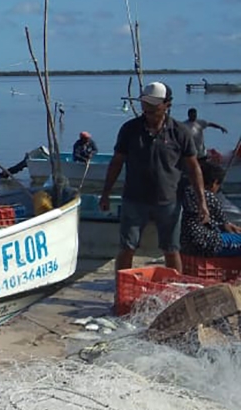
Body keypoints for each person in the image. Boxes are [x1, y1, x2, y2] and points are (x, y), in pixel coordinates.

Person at [99, 81, 210, 273]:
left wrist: (202, 202)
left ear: (167, 104)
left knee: (171, 250)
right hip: (134, 199)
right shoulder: (129, 129)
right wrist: (106, 193)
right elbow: (116, 162)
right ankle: (121, 287)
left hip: (169, 201)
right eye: (145, 103)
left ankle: (174, 287)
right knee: (127, 248)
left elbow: (193, 168)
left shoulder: (180, 132)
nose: (148, 108)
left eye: (154, 104)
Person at [179, 160, 241, 257]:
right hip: (205, 243)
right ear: (214, 182)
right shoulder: (208, 197)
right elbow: (227, 227)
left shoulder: (186, 192)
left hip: (184, 244)